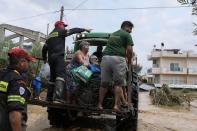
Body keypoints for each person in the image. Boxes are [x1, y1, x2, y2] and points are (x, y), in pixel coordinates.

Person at [42, 21, 91, 103]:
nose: (65, 27)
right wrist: (84, 29)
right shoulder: (60, 31)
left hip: (51, 59)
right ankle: (58, 98)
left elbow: (44, 48)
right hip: (58, 57)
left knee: (52, 78)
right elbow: (73, 30)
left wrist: (44, 58)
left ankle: (49, 98)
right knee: (60, 75)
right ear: (60, 25)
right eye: (64, 26)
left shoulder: (50, 35)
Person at [98, 21, 134, 112]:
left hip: (105, 58)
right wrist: (129, 61)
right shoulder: (126, 34)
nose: (131, 31)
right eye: (130, 29)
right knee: (118, 84)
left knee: (104, 84)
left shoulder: (113, 34)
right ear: (127, 27)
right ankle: (116, 106)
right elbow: (129, 49)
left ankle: (99, 105)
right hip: (118, 59)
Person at [0, 47, 36, 131]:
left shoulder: (2, 74)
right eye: (28, 61)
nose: (28, 64)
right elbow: (14, 114)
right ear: (21, 62)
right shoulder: (17, 82)